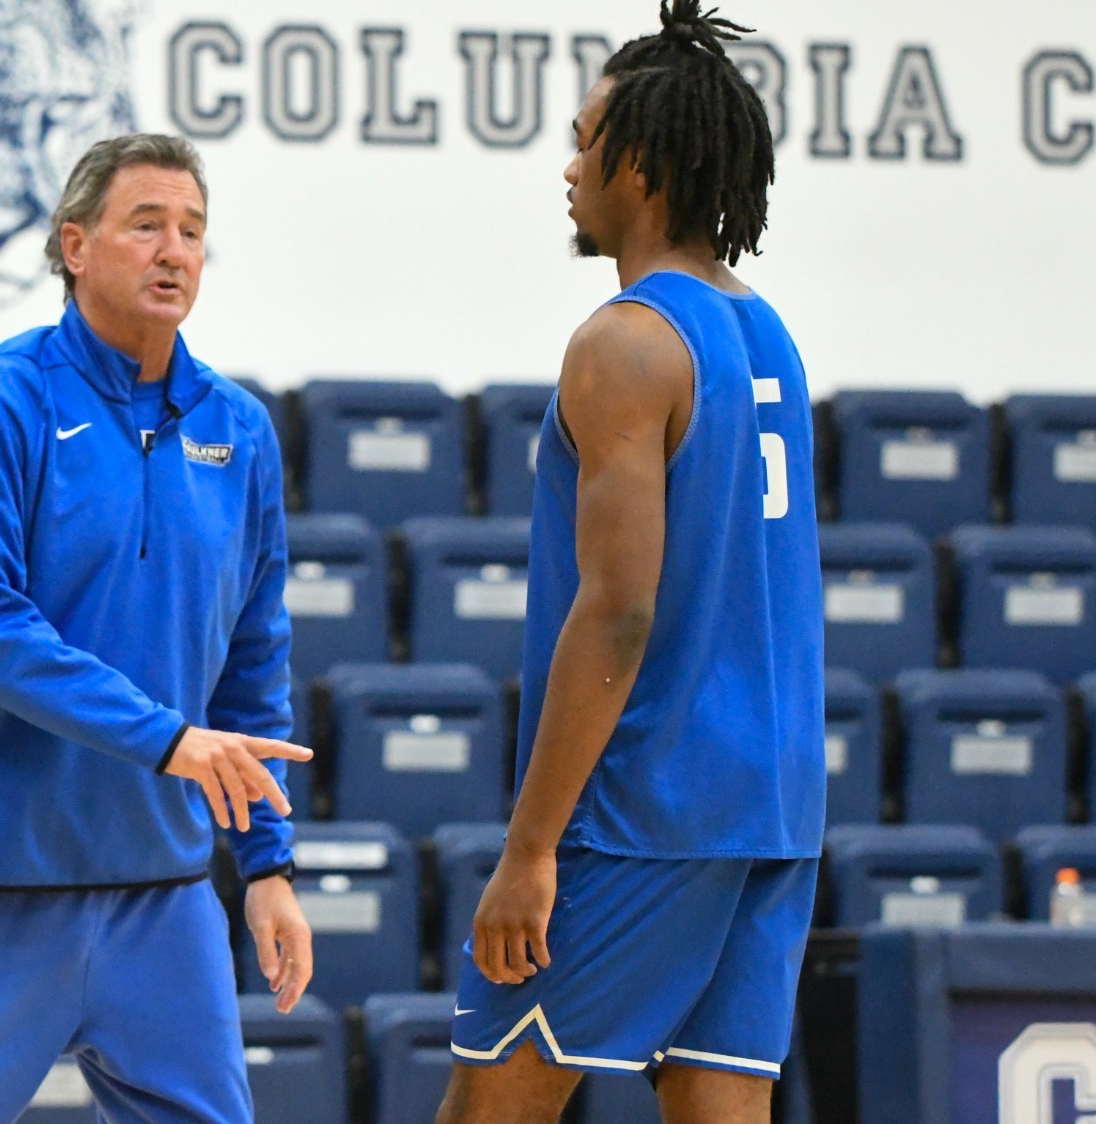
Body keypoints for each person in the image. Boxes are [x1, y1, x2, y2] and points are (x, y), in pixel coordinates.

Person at [0, 133, 315, 1124]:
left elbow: (251, 662)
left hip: (165, 895)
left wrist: (267, 861)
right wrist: (166, 738)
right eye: (145, 225)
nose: (173, 250)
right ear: (72, 245)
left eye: (190, 230)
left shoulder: (241, 428)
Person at [438, 3, 823, 1122]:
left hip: (648, 801)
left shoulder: (623, 340)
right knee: (718, 1109)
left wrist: (528, 847)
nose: (566, 167)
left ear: (639, 161)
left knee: (486, 1108)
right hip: (775, 800)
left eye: (582, 138)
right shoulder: (769, 334)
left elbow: (616, 612)